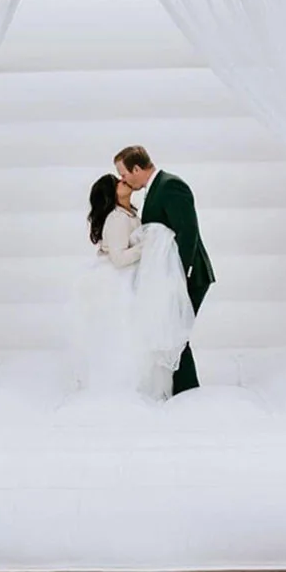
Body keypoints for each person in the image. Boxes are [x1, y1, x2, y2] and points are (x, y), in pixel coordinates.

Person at [68, 173, 194, 399]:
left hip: (132, 276)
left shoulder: (131, 213)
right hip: (119, 281)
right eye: (116, 183)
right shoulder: (116, 218)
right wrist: (148, 246)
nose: (122, 181)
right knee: (128, 333)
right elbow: (118, 258)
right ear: (111, 194)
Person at [114, 146, 214, 395]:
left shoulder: (170, 185)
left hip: (189, 274)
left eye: (124, 173)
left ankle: (188, 393)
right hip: (170, 276)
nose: (122, 179)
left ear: (137, 169)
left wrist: (177, 275)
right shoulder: (156, 188)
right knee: (172, 332)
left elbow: (187, 232)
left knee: (176, 334)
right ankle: (182, 391)